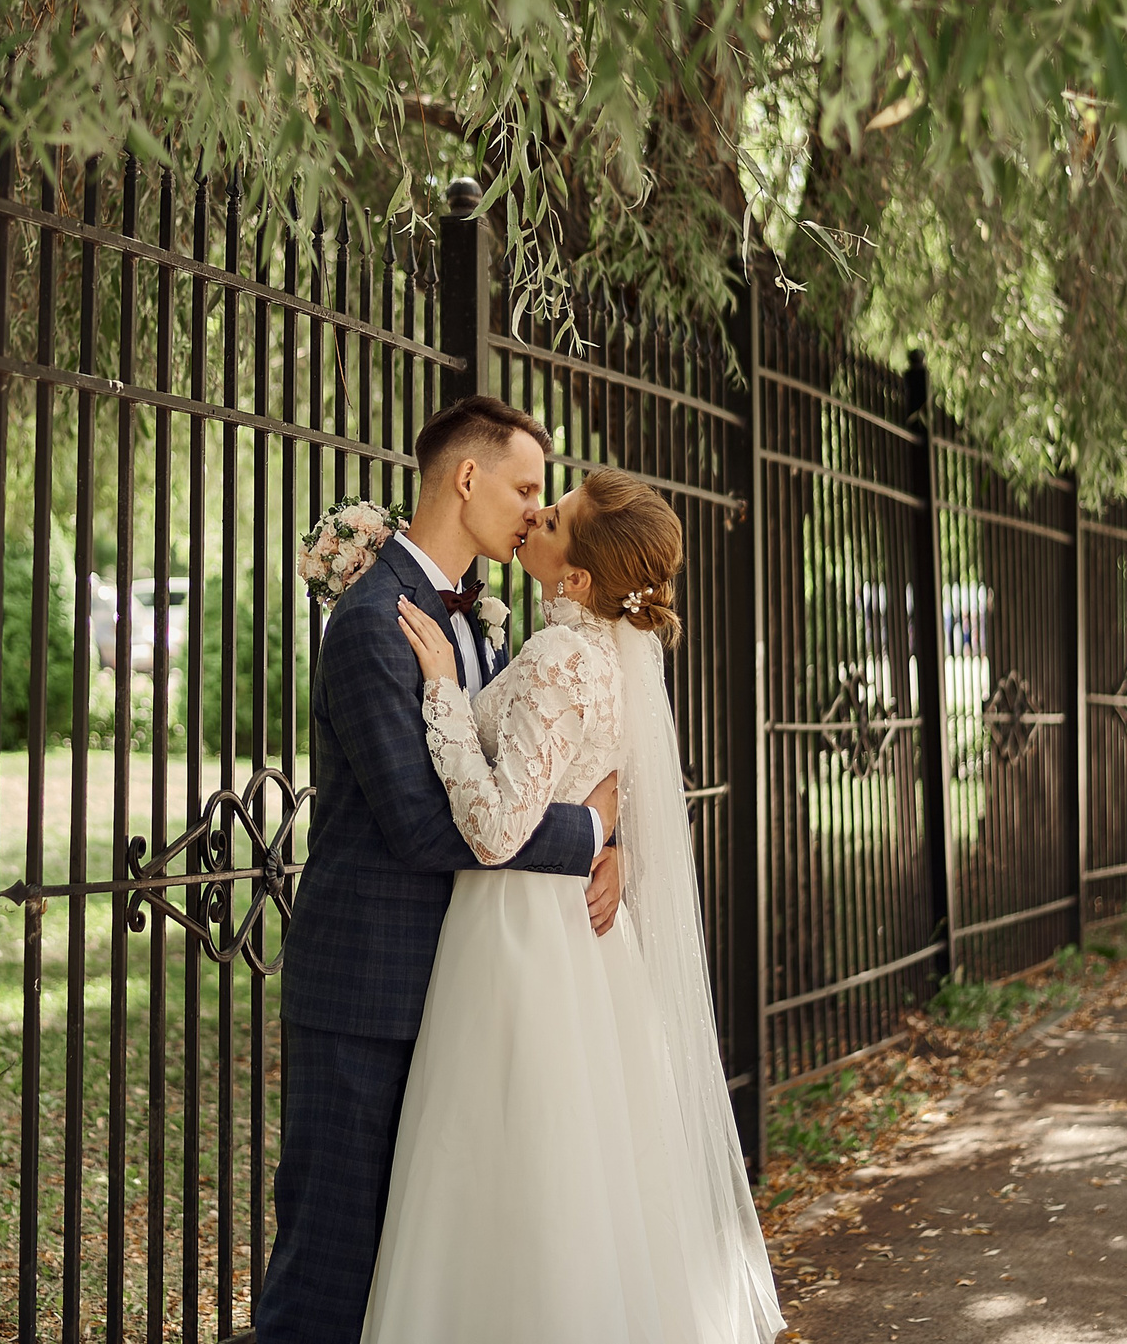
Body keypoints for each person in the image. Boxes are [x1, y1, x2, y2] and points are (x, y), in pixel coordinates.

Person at [361, 467, 782, 1344]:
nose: (533, 517)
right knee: (581, 1177)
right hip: (581, 940)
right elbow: (600, 784)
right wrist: (607, 835)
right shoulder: (615, 660)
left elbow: (493, 826)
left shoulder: (559, 657)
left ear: (576, 577)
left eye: (550, 516)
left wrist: (440, 685)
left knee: (505, 1165)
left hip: (517, 934)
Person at [255, 395, 621, 1344]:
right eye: (526, 487)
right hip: (367, 996)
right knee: (330, 1273)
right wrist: (586, 839)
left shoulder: (483, 624)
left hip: (464, 997)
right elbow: (423, 826)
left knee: (419, 1279)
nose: (536, 512)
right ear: (468, 477)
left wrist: (612, 841)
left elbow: (522, 771)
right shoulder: (374, 624)